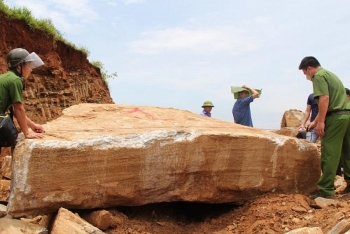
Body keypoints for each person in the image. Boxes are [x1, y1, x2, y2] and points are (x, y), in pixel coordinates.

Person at [298, 56, 350, 199]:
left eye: (304, 72)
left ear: (309, 68)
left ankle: (326, 190)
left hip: (335, 118)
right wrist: (315, 121)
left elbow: (324, 99)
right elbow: (332, 100)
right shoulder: (330, 74)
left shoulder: (318, 76)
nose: (305, 75)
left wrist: (321, 122)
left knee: (329, 153)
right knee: (347, 151)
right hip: (346, 115)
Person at [0, 48, 45, 152]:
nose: (31, 69)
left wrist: (33, 125)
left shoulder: (6, 77)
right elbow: (18, 109)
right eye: (28, 65)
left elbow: (15, 112)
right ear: (19, 66)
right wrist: (27, 133)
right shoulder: (15, 80)